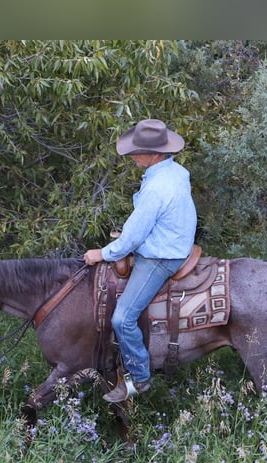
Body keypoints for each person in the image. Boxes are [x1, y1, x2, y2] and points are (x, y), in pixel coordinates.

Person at [83, 119, 197, 403]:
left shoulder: (157, 187)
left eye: (137, 151)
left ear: (154, 154)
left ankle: (139, 378)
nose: (132, 155)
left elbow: (133, 238)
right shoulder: (174, 171)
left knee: (122, 318)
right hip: (173, 241)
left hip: (162, 256)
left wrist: (102, 253)